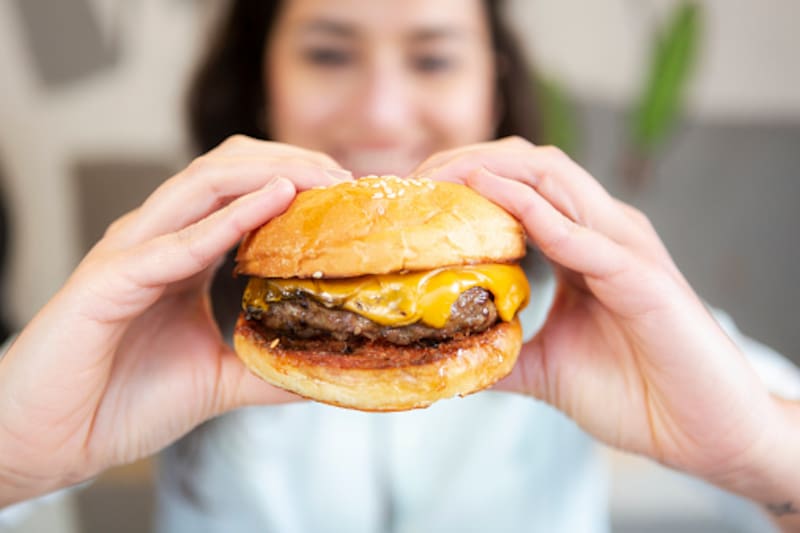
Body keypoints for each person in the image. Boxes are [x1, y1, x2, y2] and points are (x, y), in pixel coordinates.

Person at [0, 0, 799, 531]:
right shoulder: (168, 313)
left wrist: (757, 446)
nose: (382, 111)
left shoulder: (609, 313)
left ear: (494, 88)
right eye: (328, 52)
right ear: (260, 85)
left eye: (433, 59)